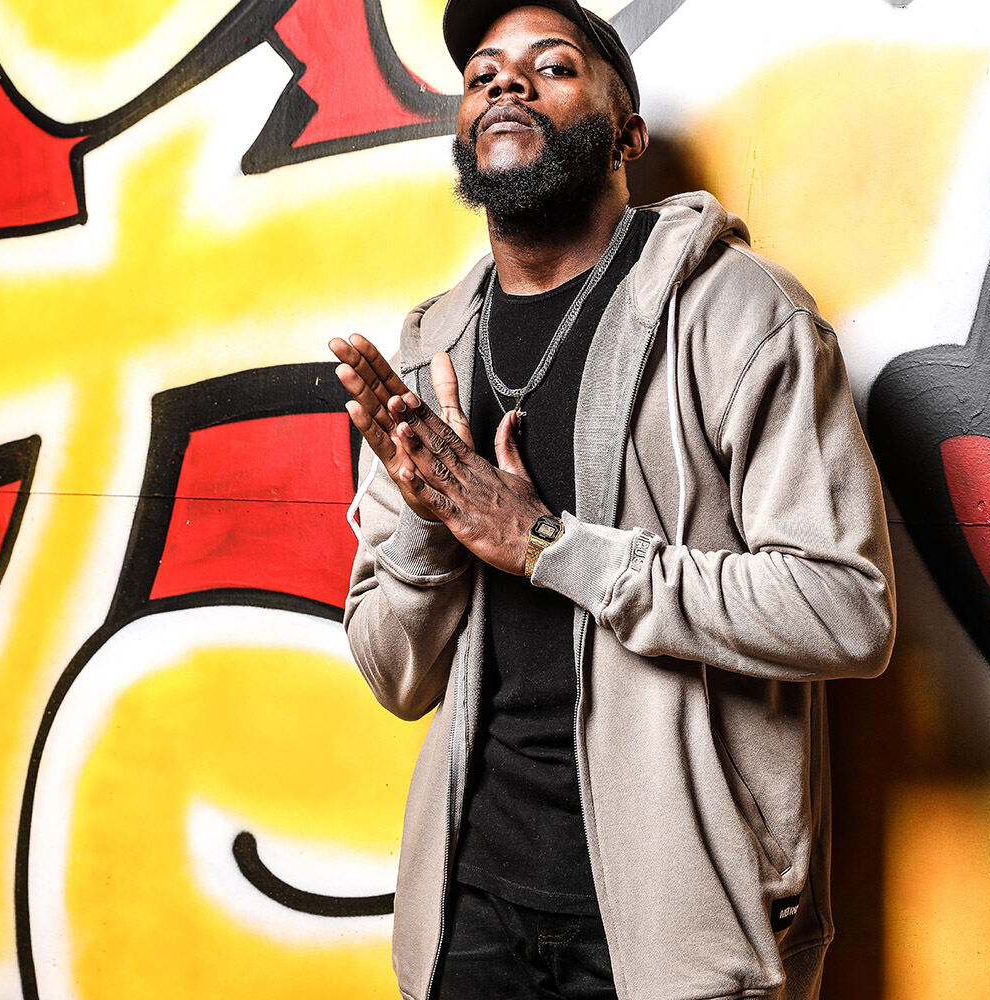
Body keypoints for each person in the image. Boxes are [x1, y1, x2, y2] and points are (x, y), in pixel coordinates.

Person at [330, 3, 896, 998]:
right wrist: (428, 523)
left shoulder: (742, 316)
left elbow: (847, 611)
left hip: (679, 925)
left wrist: (549, 544)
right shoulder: (430, 350)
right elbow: (394, 675)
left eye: (552, 66)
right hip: (470, 912)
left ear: (627, 133)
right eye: (481, 74)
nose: (506, 83)